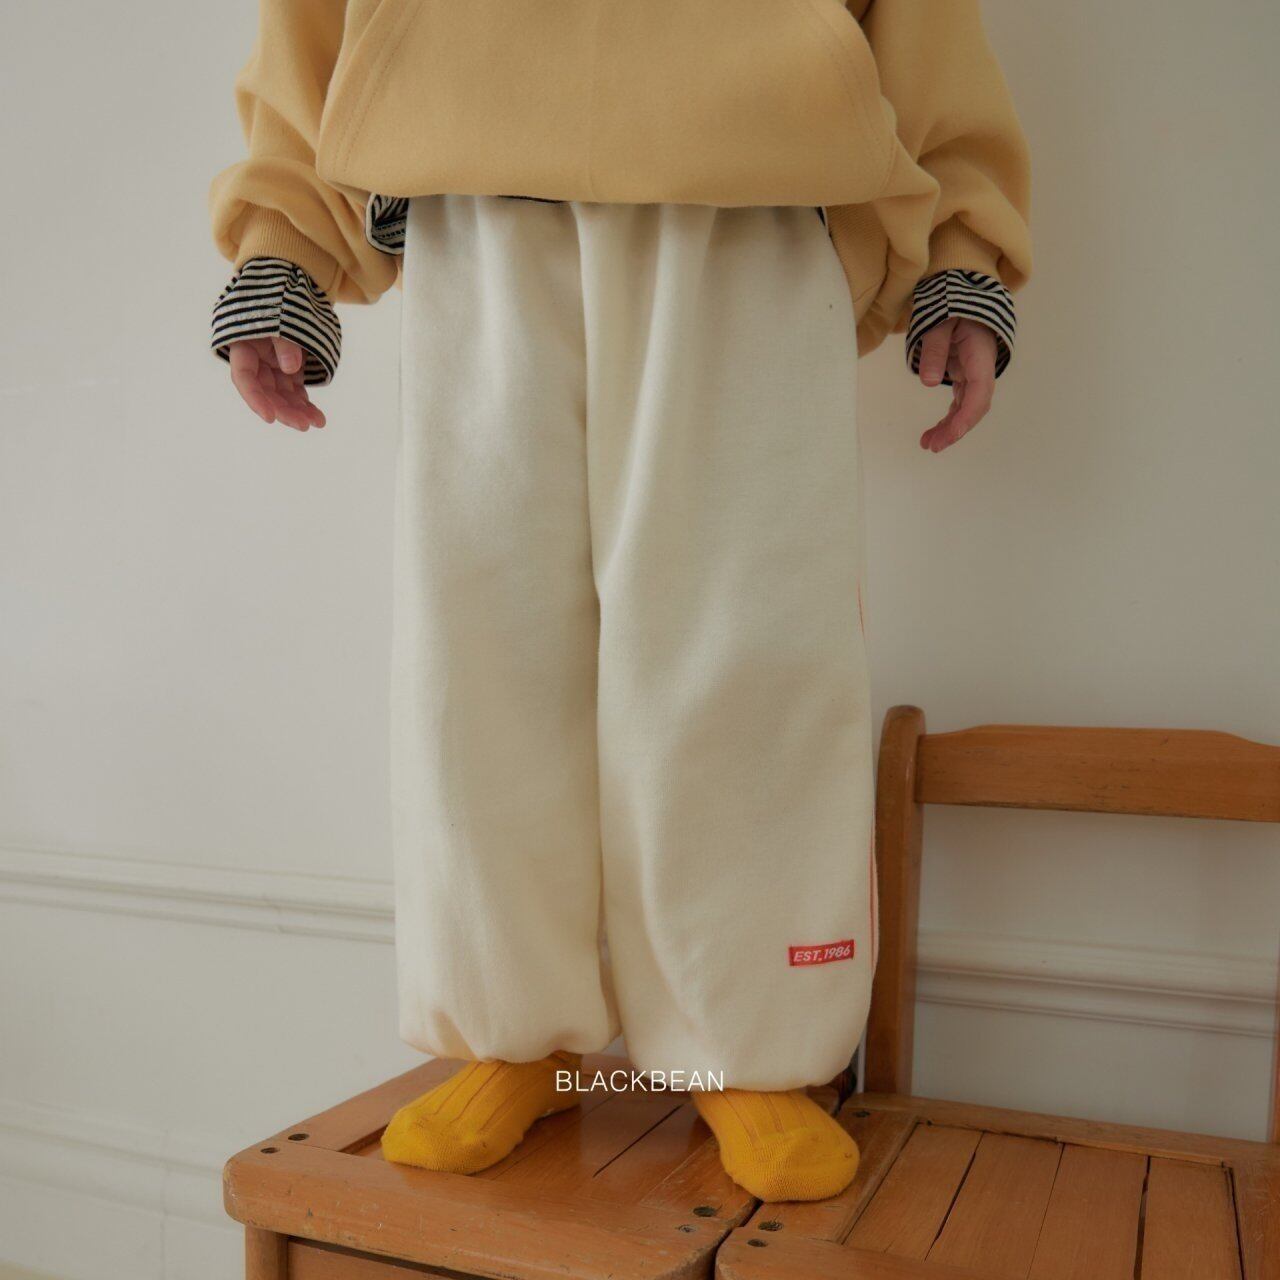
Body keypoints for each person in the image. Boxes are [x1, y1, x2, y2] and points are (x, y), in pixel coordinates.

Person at [209, 0, 1030, 1202]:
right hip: (473, 199)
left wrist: (962, 250)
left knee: (740, 638)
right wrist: (283, 243)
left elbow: (923, 26)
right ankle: (511, 1036)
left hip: (750, 189)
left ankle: (743, 1046)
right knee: (478, 644)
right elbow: (315, 24)